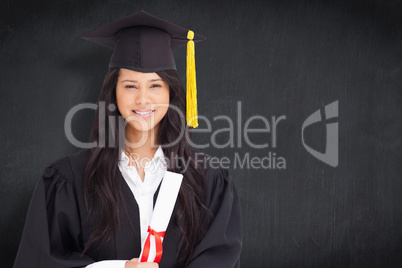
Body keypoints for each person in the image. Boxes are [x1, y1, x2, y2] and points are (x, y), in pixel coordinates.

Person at [13, 11, 242, 268]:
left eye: (155, 85)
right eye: (130, 86)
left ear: (171, 92)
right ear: (113, 92)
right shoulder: (69, 179)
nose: (143, 99)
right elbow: (39, 260)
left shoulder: (207, 180)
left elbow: (219, 258)